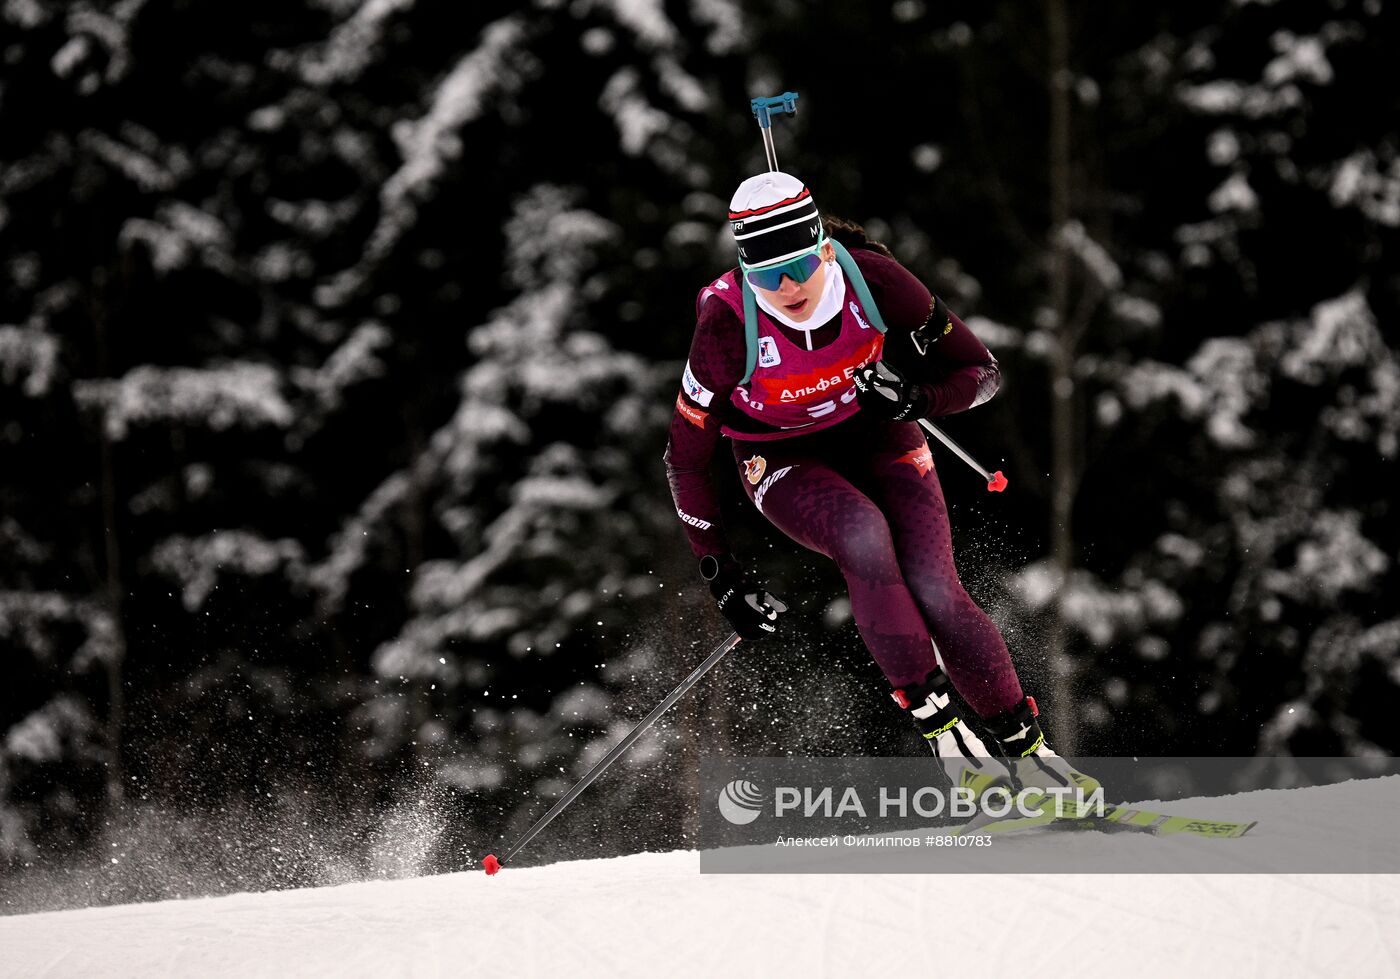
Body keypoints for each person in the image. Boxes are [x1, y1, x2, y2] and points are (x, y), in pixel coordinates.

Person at [664, 171, 1096, 808]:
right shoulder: (727, 328)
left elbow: (983, 374)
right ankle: (953, 745)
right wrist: (718, 569)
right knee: (862, 535)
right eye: (766, 275)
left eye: (798, 267)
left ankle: (1030, 755)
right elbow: (685, 460)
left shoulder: (877, 282)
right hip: (779, 457)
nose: (786, 288)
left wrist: (920, 397)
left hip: (875, 433)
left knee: (934, 586)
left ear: (824, 249)